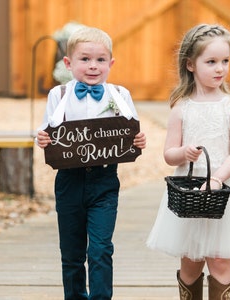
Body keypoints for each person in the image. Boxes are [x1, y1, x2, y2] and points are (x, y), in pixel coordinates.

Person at [146, 24, 230, 300]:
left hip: (223, 190)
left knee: (219, 259)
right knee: (190, 262)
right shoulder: (181, 108)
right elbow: (169, 154)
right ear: (190, 64)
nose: (220, 69)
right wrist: (184, 153)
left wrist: (217, 178)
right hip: (189, 191)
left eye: (225, 61)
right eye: (211, 62)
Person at [36, 26, 146, 300]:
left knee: (100, 248)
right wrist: (41, 138)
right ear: (68, 63)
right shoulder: (58, 95)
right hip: (69, 181)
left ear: (110, 63)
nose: (93, 66)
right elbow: (47, 131)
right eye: (85, 59)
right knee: (71, 251)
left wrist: (139, 140)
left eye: (100, 60)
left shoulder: (120, 95)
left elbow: (129, 132)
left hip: (105, 182)